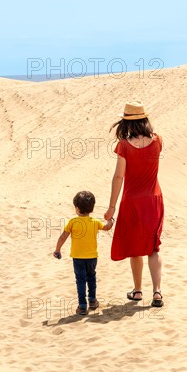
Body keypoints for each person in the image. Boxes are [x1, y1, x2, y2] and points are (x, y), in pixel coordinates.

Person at [104, 101, 164, 308]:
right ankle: (157, 293)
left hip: (131, 201)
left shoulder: (124, 145)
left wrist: (111, 208)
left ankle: (138, 291)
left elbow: (118, 177)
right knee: (153, 248)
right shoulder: (157, 141)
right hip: (153, 200)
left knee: (135, 248)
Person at [54, 191, 114, 315]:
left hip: (78, 258)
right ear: (91, 208)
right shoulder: (95, 222)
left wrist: (57, 249)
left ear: (77, 208)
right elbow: (107, 227)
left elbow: (62, 237)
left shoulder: (73, 222)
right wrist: (111, 221)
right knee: (91, 277)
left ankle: (82, 306)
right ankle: (92, 300)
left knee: (80, 280)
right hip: (92, 257)